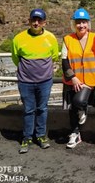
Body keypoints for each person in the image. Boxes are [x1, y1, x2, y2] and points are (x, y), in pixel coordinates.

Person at [11, 8, 59, 154]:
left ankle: (41, 136)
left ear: (44, 22)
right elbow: (15, 58)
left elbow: (54, 56)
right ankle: (26, 137)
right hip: (25, 82)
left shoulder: (51, 38)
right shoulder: (18, 38)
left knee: (42, 109)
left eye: (39, 20)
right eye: (34, 20)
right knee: (28, 109)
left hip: (45, 81)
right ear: (29, 21)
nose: (36, 23)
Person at [61, 8, 95, 149]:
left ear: (88, 23)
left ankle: (83, 110)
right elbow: (64, 60)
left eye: (84, 22)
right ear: (74, 24)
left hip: (90, 80)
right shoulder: (67, 39)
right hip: (73, 80)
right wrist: (73, 78)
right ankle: (74, 134)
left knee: (78, 101)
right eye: (78, 22)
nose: (81, 25)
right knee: (72, 108)